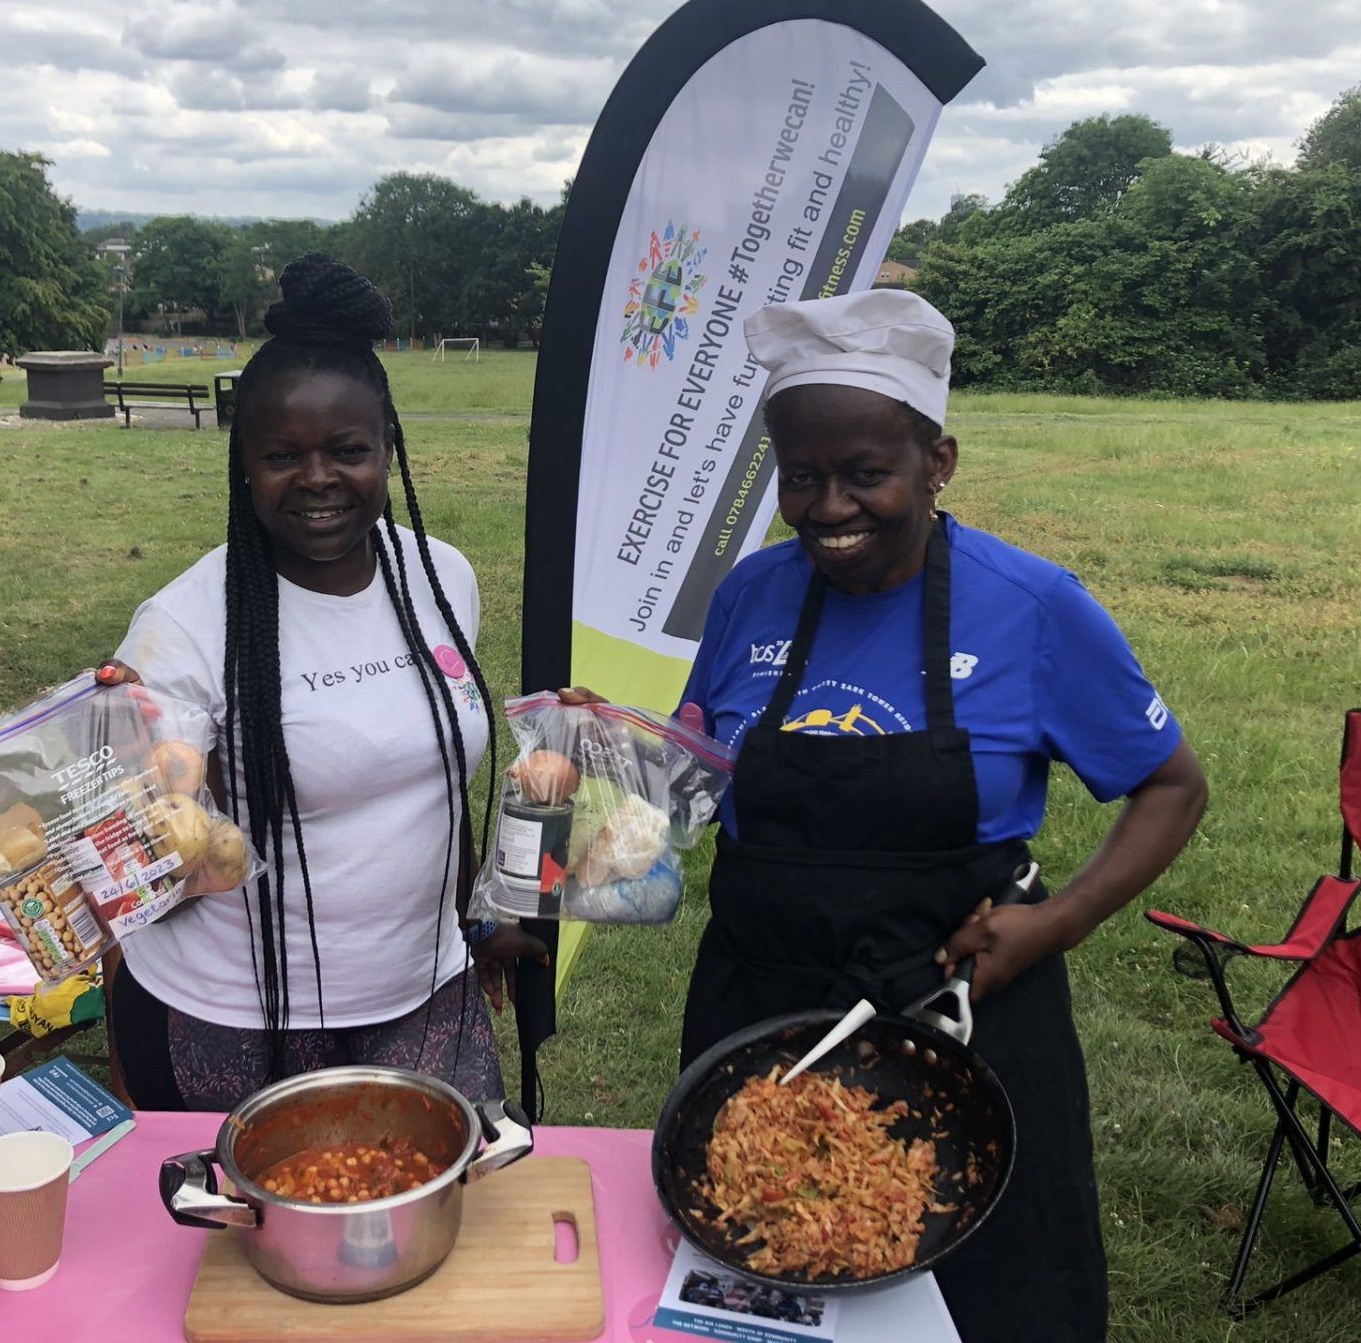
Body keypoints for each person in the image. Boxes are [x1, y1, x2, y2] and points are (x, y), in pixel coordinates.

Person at [568, 288, 1207, 1341]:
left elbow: (1174, 786)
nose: (828, 507)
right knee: (764, 1269)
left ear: (937, 463)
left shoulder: (1033, 607)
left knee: (1003, 1300)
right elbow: (697, 773)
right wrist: (600, 760)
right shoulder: (749, 597)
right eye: (803, 476)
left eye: (866, 474)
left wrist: (1057, 922)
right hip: (759, 1014)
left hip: (962, 1016)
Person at [101, 254, 545, 1111]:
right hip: (237, 1018)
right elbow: (141, 858)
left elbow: (433, 777)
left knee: (449, 1224)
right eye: (281, 455)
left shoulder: (441, 580)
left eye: (347, 450)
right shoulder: (185, 625)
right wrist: (157, 817)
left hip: (426, 996)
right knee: (254, 1240)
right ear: (244, 464)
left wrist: (473, 920)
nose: (316, 480)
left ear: (388, 448)